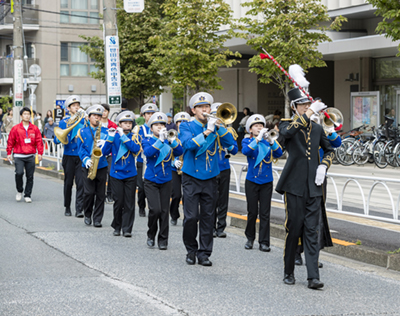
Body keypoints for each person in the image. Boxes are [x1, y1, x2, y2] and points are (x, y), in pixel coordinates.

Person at [276, 87, 334, 290]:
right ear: (294, 107)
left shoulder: (317, 129)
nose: (308, 107)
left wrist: (323, 166)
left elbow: (329, 150)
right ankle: (288, 271)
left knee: (312, 231)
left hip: (314, 188)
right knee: (294, 229)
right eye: (303, 105)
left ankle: (313, 277)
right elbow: (287, 135)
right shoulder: (286, 125)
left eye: (309, 104)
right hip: (294, 186)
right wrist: (308, 115)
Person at [180, 92, 235, 266]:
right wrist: (208, 131)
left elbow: (232, 145)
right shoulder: (186, 126)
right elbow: (187, 145)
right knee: (190, 217)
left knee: (208, 217)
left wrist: (219, 127)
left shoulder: (216, 126)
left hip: (211, 176)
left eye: (207, 107)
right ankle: (191, 249)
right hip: (191, 176)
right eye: (201, 107)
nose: (205, 110)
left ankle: (204, 253)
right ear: (193, 110)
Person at [294, 110, 342, 267]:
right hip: (302, 177)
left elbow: (337, 144)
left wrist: (329, 130)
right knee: (300, 215)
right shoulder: (301, 129)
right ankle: (296, 251)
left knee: (317, 217)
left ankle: (313, 255)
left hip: (319, 177)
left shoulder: (320, 131)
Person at [142, 112, 183, 250]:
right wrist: (160, 140)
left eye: (162, 125)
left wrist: (171, 141)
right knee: (155, 209)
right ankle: (151, 234)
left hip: (166, 180)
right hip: (151, 180)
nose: (160, 127)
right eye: (156, 125)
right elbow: (148, 153)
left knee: (165, 211)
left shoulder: (169, 141)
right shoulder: (147, 140)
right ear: (151, 127)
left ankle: (163, 239)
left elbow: (179, 151)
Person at [242, 117, 282, 251]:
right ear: (250, 129)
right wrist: (257, 139)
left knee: (265, 213)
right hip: (252, 180)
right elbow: (246, 151)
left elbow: (279, 153)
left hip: (266, 181)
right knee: (252, 212)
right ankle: (250, 237)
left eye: (261, 125)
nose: (259, 127)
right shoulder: (247, 140)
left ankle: (264, 241)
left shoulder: (268, 142)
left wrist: (272, 141)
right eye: (256, 125)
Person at [102, 111, 141, 237]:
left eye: (130, 123)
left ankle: (127, 228)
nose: (127, 125)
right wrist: (110, 138)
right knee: (118, 201)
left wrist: (123, 137)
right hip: (116, 174)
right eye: (125, 123)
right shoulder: (114, 136)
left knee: (129, 202)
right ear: (119, 124)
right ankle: (117, 225)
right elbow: (104, 152)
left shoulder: (135, 137)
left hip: (130, 173)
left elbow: (135, 149)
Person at [54, 95, 86, 217]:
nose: (76, 107)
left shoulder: (84, 120)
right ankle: (67, 206)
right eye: (74, 106)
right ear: (68, 108)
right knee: (68, 183)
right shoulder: (64, 122)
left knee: (81, 183)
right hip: (68, 155)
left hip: (80, 155)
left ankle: (79, 209)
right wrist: (61, 138)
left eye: (78, 105)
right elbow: (57, 139)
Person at [78, 104, 109, 227]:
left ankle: (97, 219)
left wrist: (106, 143)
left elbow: (108, 150)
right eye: (94, 115)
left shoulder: (106, 132)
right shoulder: (82, 131)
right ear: (89, 117)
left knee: (101, 194)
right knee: (89, 192)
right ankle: (87, 214)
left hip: (101, 164)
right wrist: (85, 159)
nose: (97, 118)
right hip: (88, 165)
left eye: (99, 116)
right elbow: (80, 149)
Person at [211, 102, 238, 238]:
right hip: (211, 167)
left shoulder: (229, 132)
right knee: (211, 199)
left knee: (223, 199)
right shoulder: (209, 130)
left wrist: (228, 146)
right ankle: (210, 226)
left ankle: (221, 227)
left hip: (224, 168)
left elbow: (235, 150)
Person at [6, 107, 44, 203]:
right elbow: (10, 141)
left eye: (28, 114)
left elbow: (39, 141)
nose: (27, 116)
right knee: (19, 173)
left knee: (30, 176)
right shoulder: (16, 128)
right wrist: (9, 153)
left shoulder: (34, 128)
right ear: (21, 116)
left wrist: (40, 153)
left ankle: (27, 194)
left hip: (31, 155)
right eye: (25, 114)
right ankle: (19, 190)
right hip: (19, 155)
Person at [136, 103, 159, 217]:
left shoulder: (159, 127)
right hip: (142, 160)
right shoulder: (139, 128)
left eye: (152, 113)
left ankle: (152, 207)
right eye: (148, 114)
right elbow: (135, 141)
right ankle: (141, 206)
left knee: (152, 184)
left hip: (156, 161)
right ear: (143, 116)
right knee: (141, 187)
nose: (150, 116)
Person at [169, 112, 190, 226]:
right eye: (179, 122)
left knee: (188, 196)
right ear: (176, 124)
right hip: (174, 169)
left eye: (184, 122)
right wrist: (173, 162)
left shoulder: (190, 136)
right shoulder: (172, 135)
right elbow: (167, 152)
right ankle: (174, 214)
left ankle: (187, 217)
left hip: (187, 168)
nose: (181, 124)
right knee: (176, 195)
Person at [100, 103, 118, 204]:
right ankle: (101, 194)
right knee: (101, 175)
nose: (103, 113)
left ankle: (110, 193)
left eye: (105, 111)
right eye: (102, 111)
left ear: (108, 112)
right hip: (99, 153)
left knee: (111, 173)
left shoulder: (113, 125)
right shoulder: (96, 124)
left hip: (111, 153)